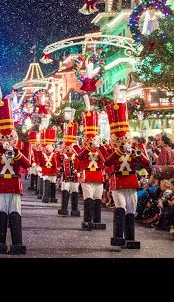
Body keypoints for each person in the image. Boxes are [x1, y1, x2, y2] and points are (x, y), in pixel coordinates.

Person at [0, 84, 31, 255]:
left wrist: (15, 151)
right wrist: (0, 150)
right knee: (1, 212)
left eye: (10, 137)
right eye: (4, 137)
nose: (7, 140)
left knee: (15, 213)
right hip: (1, 184)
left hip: (15, 184)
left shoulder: (19, 149)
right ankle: (0, 242)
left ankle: (17, 243)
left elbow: (27, 164)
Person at [104, 85, 150, 249]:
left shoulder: (135, 150)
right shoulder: (112, 150)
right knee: (120, 208)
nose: (123, 142)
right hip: (117, 181)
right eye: (119, 140)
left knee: (131, 210)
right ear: (113, 140)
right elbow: (107, 163)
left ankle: (130, 237)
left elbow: (146, 164)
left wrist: (136, 153)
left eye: (125, 139)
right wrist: (118, 151)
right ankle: (118, 237)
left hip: (131, 182)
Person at [73, 102, 106, 230]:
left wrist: (98, 148)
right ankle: (87, 221)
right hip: (86, 175)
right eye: (88, 139)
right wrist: (88, 147)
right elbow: (80, 156)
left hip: (98, 175)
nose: (91, 141)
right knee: (88, 199)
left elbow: (105, 161)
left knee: (97, 198)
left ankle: (97, 220)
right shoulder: (81, 149)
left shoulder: (100, 148)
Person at [58, 121, 80, 217]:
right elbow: (58, 161)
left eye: (70, 147)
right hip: (65, 176)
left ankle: (74, 209)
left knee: (74, 191)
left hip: (75, 176)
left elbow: (79, 164)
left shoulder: (77, 155)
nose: (68, 149)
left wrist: (78, 171)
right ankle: (64, 208)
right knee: (65, 190)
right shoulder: (62, 155)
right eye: (66, 147)